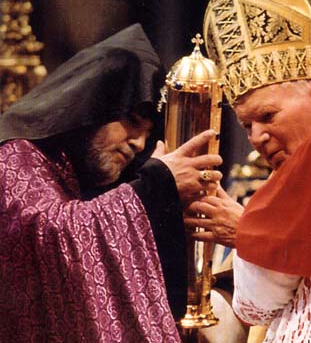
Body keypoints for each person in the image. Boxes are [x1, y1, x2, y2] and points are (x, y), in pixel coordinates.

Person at [0, 23, 224, 342]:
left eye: (147, 135)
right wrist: (156, 183)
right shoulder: (14, 157)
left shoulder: (68, 172)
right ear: (91, 106)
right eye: (132, 122)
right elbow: (54, 234)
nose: (137, 144)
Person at [185, 0, 311, 343]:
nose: (257, 137)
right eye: (247, 125)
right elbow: (258, 303)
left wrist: (247, 232)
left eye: (268, 115)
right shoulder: (285, 174)